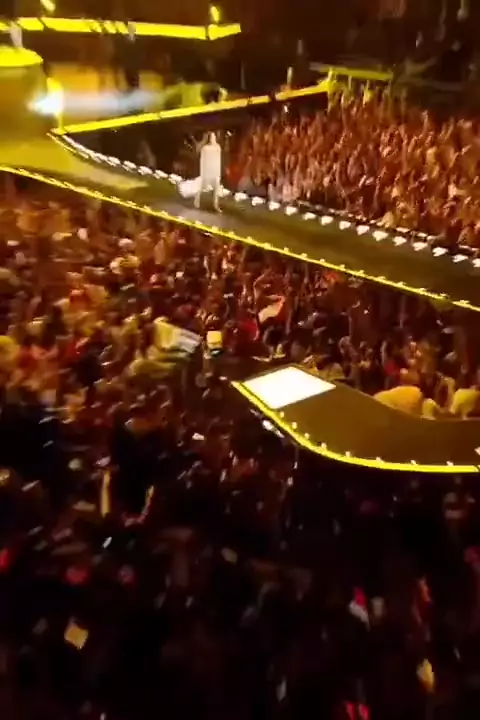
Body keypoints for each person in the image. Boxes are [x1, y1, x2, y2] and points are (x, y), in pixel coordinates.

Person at [194, 132, 222, 212]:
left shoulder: (218, 147)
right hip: (206, 171)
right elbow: (202, 158)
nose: (212, 138)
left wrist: (218, 172)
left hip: (215, 171)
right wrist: (203, 172)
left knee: (216, 189)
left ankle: (215, 205)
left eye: (213, 136)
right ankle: (196, 202)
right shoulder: (205, 148)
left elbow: (218, 159)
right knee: (201, 187)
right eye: (211, 137)